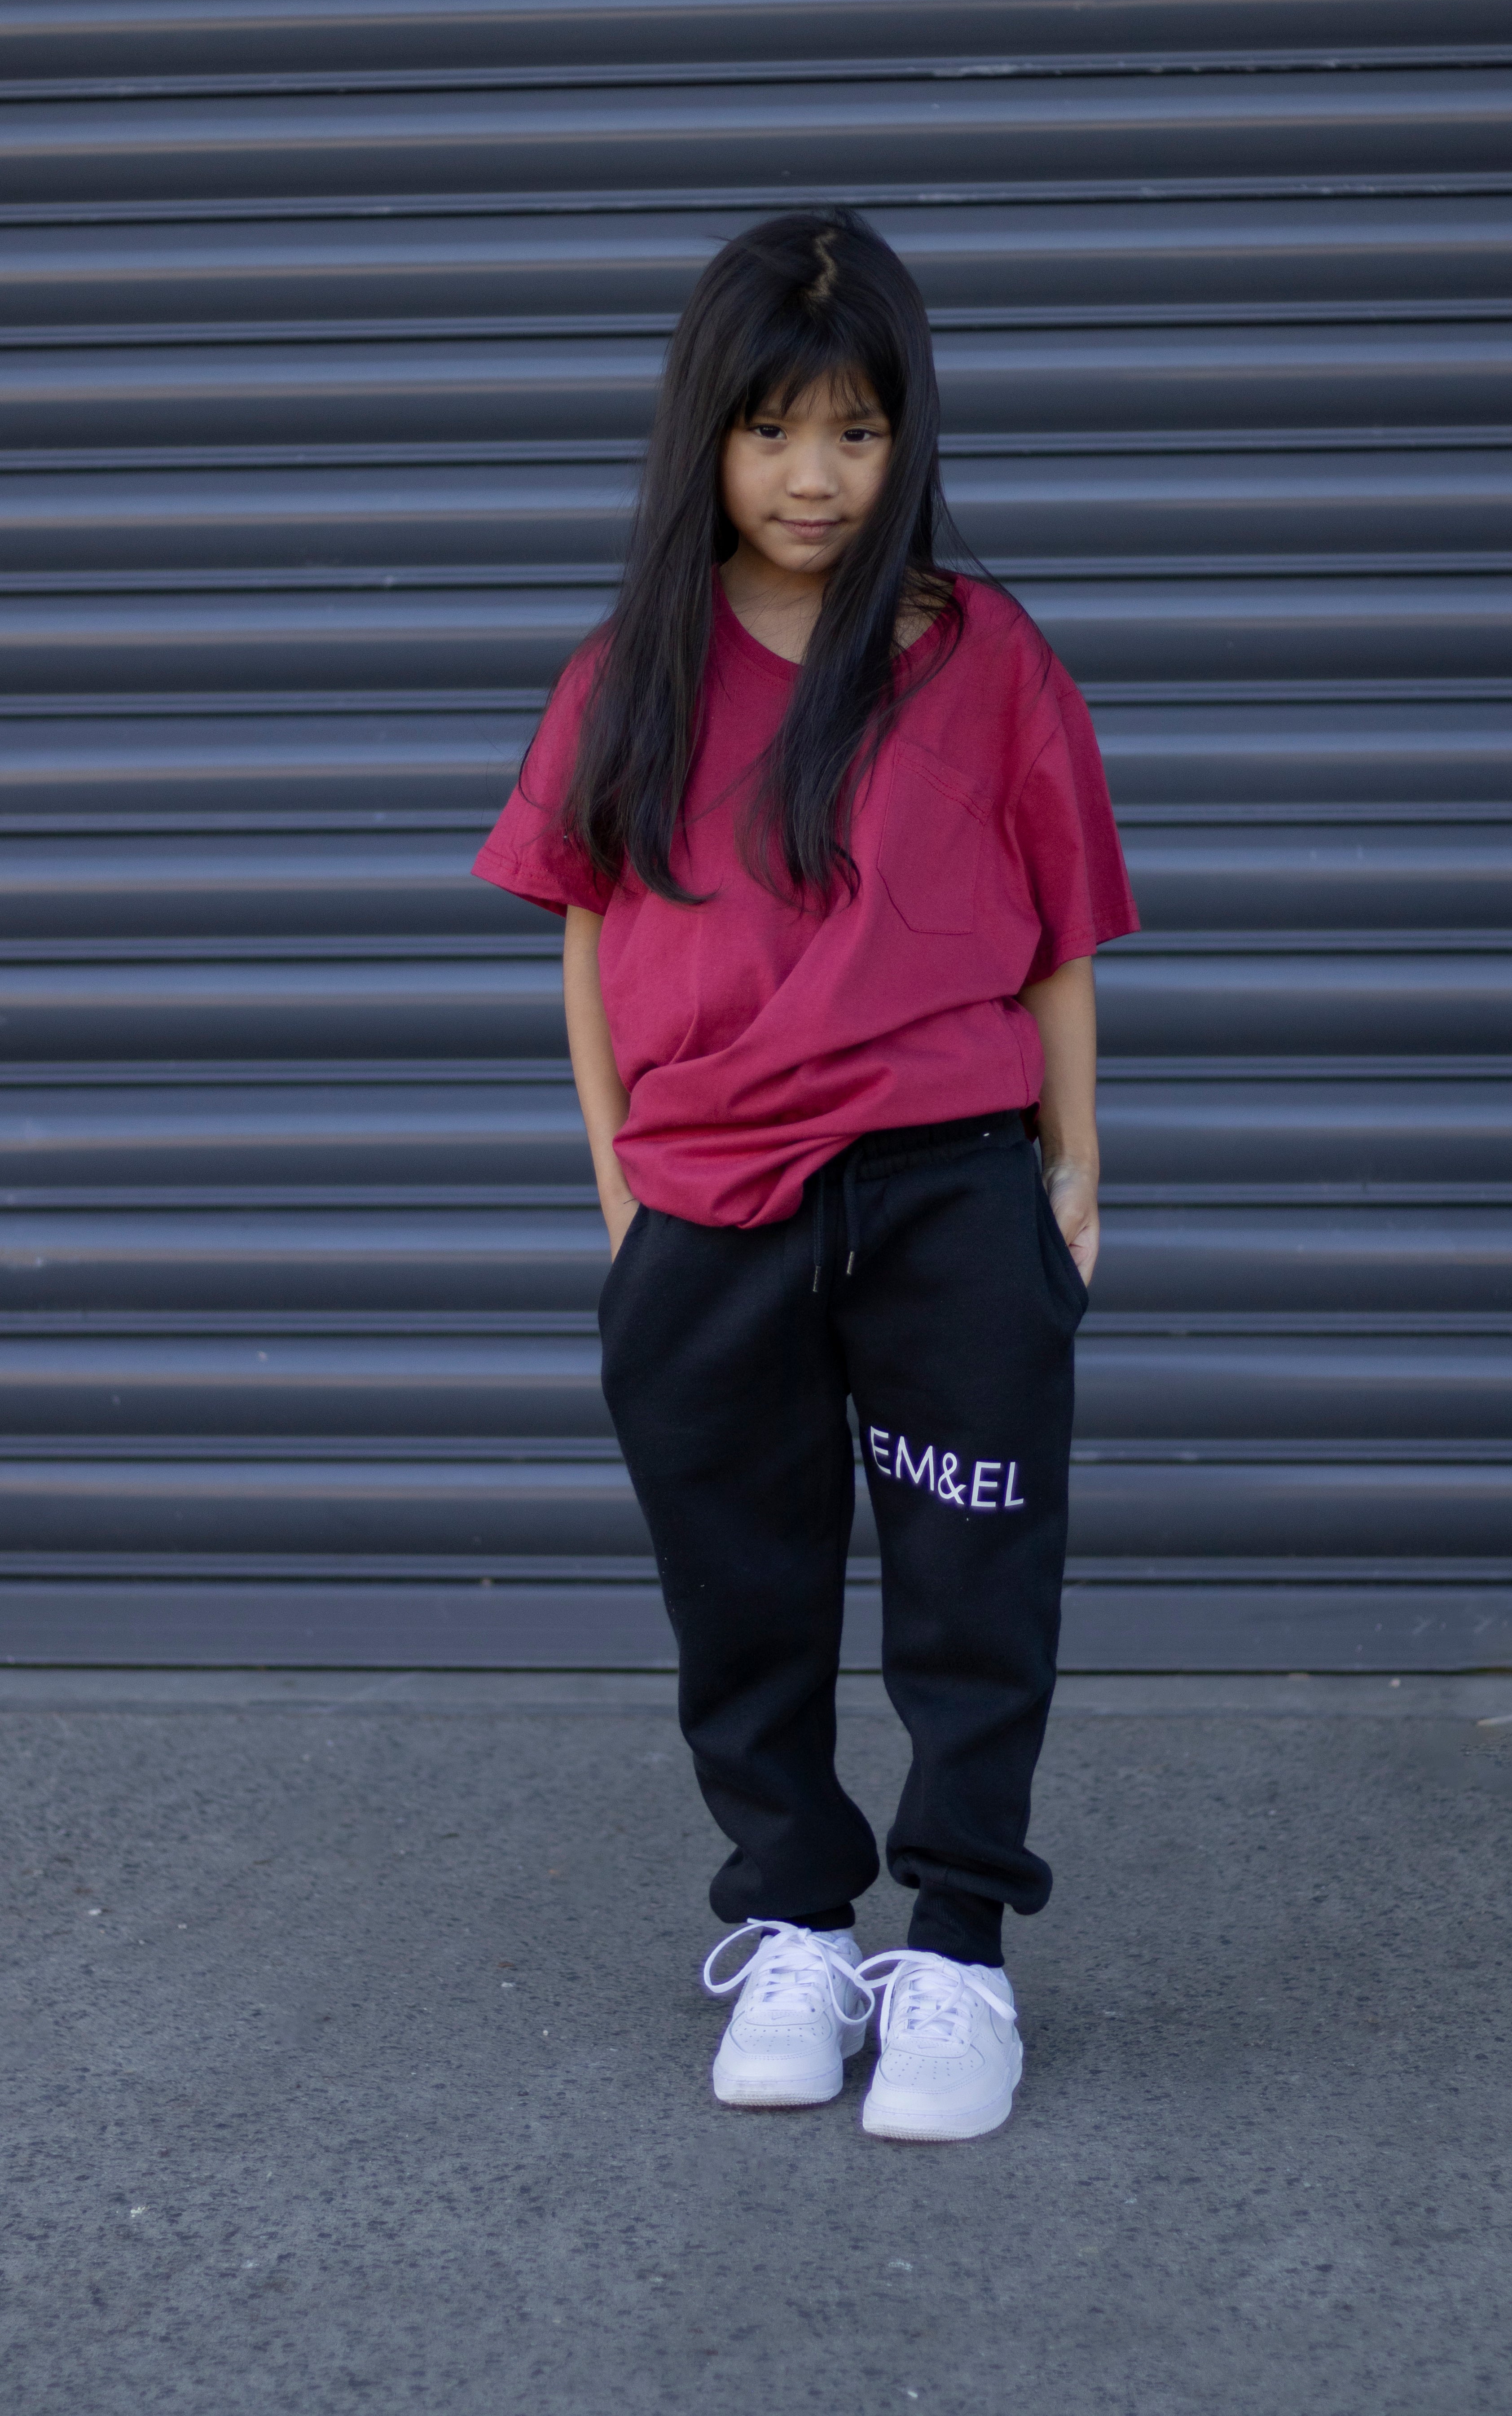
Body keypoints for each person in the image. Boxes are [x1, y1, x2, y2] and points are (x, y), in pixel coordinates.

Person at [474, 208, 1136, 2143]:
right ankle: (791, 1921)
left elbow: (1058, 932)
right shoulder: (631, 672)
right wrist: (622, 1192)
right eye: (770, 431)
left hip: (949, 1193)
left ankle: (957, 1951)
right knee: (743, 1597)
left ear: (905, 436)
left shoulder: (984, 657)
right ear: (708, 436)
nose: (814, 476)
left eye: (855, 429)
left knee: (970, 1583)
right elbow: (586, 934)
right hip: (709, 1211)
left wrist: (1075, 1166)